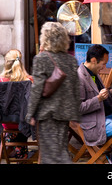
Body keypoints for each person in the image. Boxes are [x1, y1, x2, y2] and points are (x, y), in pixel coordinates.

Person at [26, 22, 81, 164]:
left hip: (47, 113)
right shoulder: (71, 60)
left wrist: (30, 113)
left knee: (51, 154)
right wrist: (75, 114)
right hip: (65, 114)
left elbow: (37, 88)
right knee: (59, 149)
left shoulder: (41, 59)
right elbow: (76, 88)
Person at [77, 44, 112, 149]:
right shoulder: (79, 78)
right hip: (94, 124)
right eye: (103, 64)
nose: (104, 67)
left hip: (105, 116)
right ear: (94, 60)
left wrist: (110, 93)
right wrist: (98, 99)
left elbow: (97, 95)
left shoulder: (94, 73)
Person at [0, 49, 33, 160]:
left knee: (15, 119)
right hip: (24, 124)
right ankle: (21, 153)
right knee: (23, 117)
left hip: (6, 123)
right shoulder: (28, 81)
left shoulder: (1, 81)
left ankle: (13, 146)